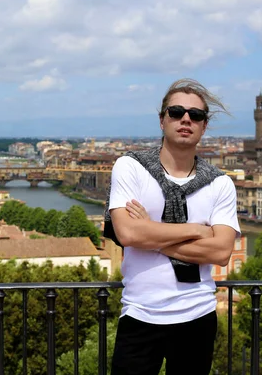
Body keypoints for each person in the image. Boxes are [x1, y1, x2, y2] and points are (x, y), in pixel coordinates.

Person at [105, 78, 240, 374]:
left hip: (198, 317)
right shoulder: (131, 167)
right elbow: (126, 233)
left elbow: (220, 252)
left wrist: (149, 232)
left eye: (196, 115)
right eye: (177, 112)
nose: (186, 119)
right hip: (140, 315)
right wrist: (196, 230)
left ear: (204, 126)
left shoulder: (220, 183)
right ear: (162, 120)